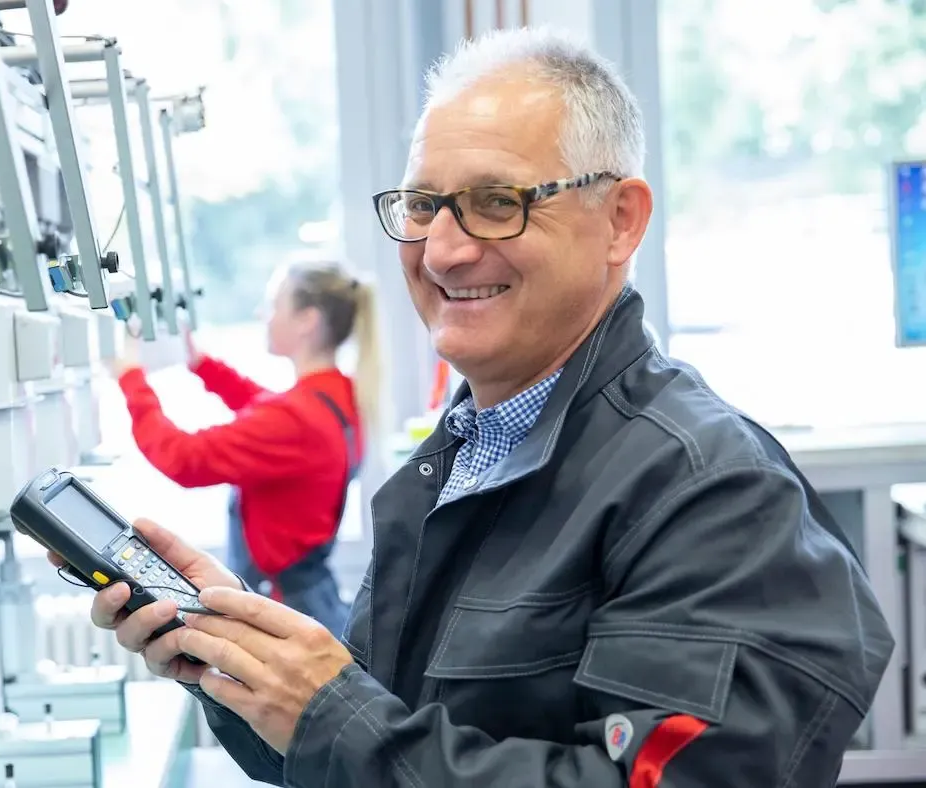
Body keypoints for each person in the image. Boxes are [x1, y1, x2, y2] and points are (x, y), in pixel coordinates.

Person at [54, 27, 893, 786]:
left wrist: (331, 713)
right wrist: (235, 659)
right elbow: (377, 745)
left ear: (621, 221)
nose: (445, 250)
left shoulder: (713, 494)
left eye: (499, 203)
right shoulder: (456, 463)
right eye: (423, 206)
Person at [110, 260, 380, 636]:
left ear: (307, 320)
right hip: (311, 601)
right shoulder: (338, 396)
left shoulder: (296, 419)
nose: (261, 315)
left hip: (281, 613)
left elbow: (182, 458)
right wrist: (200, 363)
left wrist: (130, 378)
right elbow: (264, 408)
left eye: (272, 305)